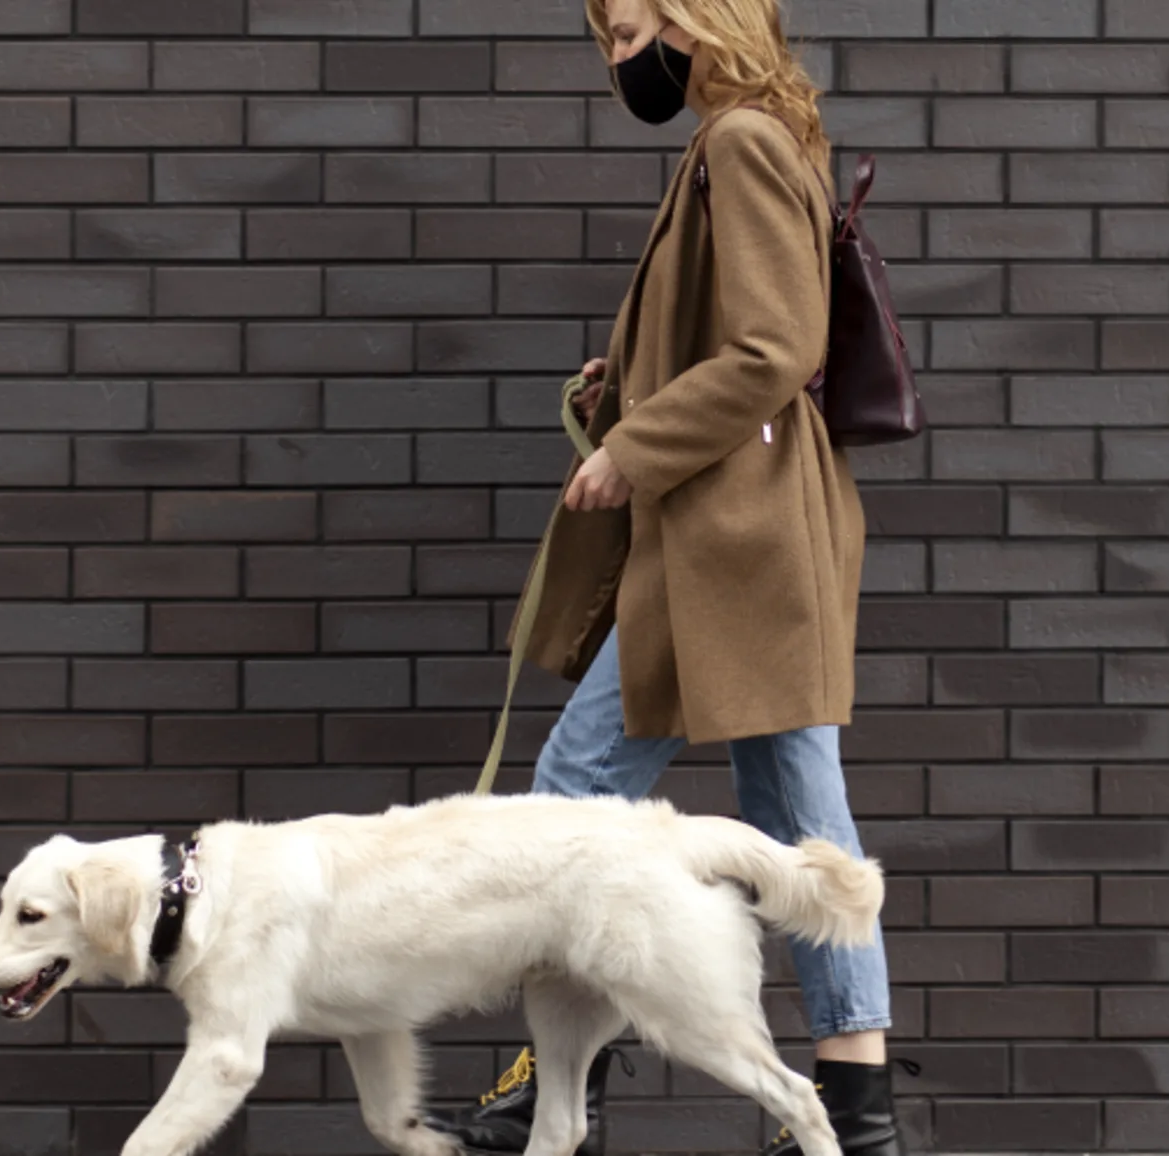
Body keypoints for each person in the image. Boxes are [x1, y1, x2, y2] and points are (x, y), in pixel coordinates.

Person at [423, 1, 907, 1155]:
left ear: (692, 19)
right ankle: (855, 1115)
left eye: (629, 27)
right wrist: (629, 386)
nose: (619, 57)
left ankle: (566, 1090)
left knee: (577, 786)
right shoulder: (757, 132)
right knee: (802, 829)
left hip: (732, 546)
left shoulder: (738, 140)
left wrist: (634, 449)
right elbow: (744, 342)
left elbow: (772, 348)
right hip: (750, 539)